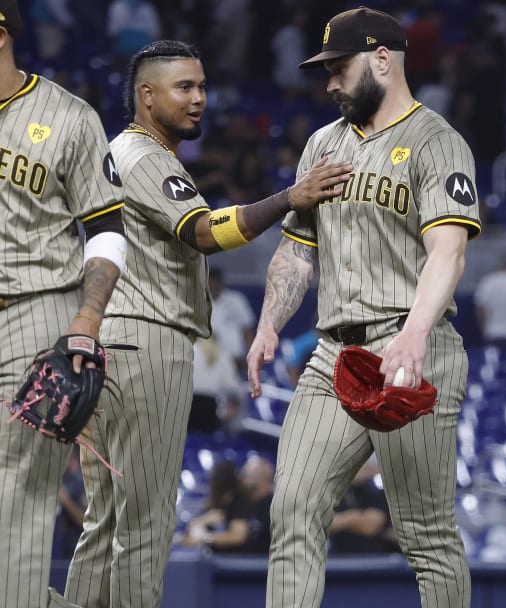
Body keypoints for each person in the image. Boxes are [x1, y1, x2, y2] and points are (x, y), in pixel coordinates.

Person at [63, 40, 351, 608]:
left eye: (201, 86)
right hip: (146, 342)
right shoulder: (144, 157)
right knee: (144, 526)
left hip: (109, 344)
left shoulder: (120, 153)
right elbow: (204, 232)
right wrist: (291, 197)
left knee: (105, 524)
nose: (199, 99)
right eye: (184, 88)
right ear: (146, 96)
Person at [245, 8, 481, 607]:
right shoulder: (323, 144)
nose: (329, 82)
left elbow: (447, 253)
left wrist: (414, 333)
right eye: (325, 70)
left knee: (425, 535)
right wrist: (269, 323)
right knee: (292, 508)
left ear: (382, 59)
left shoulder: (438, 141)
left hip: (412, 352)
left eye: (339, 67)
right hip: (334, 355)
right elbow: (297, 252)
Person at [0, 2, 127, 605]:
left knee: (20, 485)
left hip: (35, 305)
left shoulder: (68, 117)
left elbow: (106, 229)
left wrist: (86, 318)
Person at [182, 456, 275, 554]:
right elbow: (189, 539)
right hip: (217, 559)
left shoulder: (241, 502)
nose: (244, 479)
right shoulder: (215, 505)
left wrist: (205, 537)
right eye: (245, 475)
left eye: (251, 476)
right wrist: (203, 521)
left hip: (245, 560)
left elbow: (238, 537)